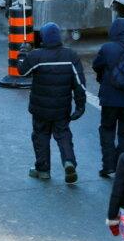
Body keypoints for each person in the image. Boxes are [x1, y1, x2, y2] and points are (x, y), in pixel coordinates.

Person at [19, 22, 85, 184]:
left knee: (40, 136)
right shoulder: (70, 56)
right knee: (63, 135)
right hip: (62, 108)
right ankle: (68, 161)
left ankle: (43, 170)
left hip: (40, 109)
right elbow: (79, 83)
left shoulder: (36, 56)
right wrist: (80, 105)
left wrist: (23, 54)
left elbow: (22, 71)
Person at [92, 17, 124, 178]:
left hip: (110, 99)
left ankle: (108, 165)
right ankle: (122, 166)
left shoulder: (107, 48)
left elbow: (96, 65)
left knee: (107, 130)